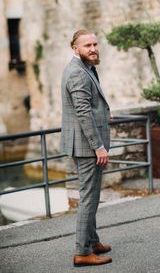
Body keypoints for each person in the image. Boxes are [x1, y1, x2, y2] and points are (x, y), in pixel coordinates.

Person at [60, 29, 112, 267]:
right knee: (89, 198)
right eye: (87, 45)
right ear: (75, 49)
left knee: (92, 194)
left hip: (86, 144)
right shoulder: (77, 73)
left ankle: (92, 240)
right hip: (86, 146)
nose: (93, 48)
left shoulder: (86, 67)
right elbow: (83, 113)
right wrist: (98, 147)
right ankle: (82, 251)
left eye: (95, 43)